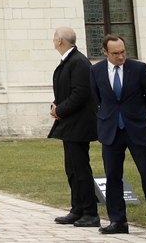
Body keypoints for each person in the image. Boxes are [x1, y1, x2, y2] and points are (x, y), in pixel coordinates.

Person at [90, 34, 146, 238]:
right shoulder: (96, 70)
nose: (121, 56)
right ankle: (118, 220)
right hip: (110, 131)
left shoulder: (138, 69)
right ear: (105, 52)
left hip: (136, 129)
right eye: (115, 53)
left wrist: (139, 117)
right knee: (113, 176)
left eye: (123, 52)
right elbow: (96, 98)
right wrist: (108, 117)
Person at [49, 26, 99, 227]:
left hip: (79, 125)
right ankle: (77, 208)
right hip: (70, 124)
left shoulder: (78, 62)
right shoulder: (69, 61)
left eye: (54, 37)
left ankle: (90, 212)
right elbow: (66, 91)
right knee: (72, 168)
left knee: (80, 169)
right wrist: (56, 104)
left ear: (60, 41)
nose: (53, 40)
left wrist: (60, 110)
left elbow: (80, 94)